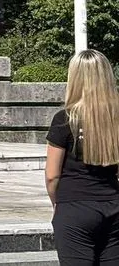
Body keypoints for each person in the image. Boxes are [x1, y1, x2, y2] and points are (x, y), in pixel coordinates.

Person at [45, 49, 119, 264]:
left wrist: (58, 204)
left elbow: (52, 176)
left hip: (75, 208)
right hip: (113, 205)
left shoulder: (64, 119)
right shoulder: (115, 119)